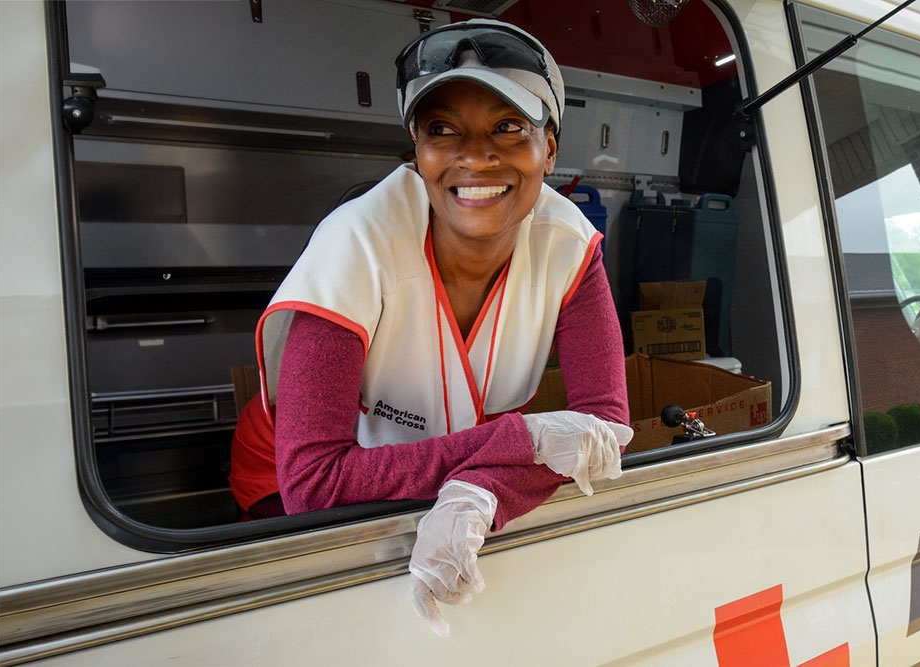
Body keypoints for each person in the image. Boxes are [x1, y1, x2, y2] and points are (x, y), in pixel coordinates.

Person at [228, 18, 632, 636]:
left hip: (435, 465)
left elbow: (603, 430)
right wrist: (521, 445)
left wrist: (482, 494)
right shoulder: (357, 244)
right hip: (284, 481)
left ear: (549, 147)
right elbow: (313, 483)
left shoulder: (571, 248)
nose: (475, 156)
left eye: (509, 127)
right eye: (442, 130)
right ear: (416, 151)